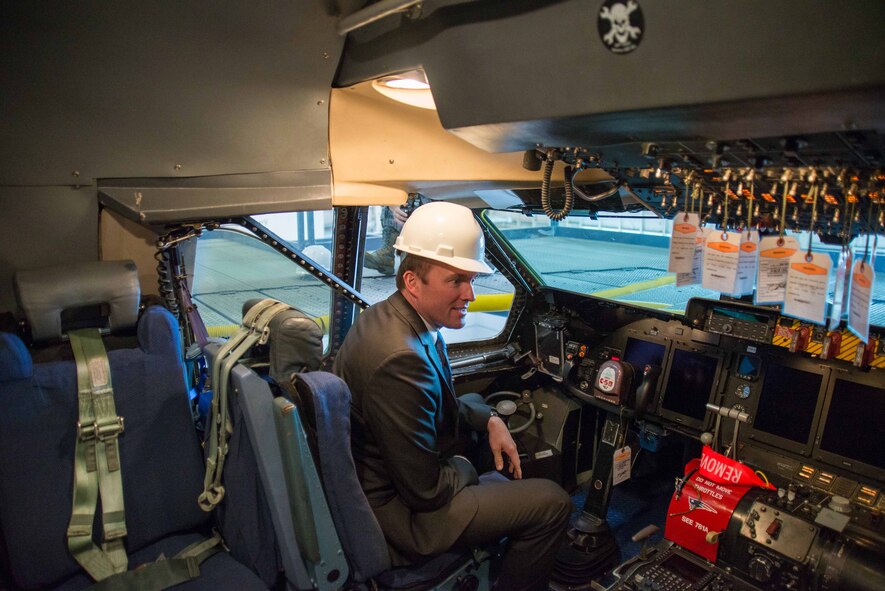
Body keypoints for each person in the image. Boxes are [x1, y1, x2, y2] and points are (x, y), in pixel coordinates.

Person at [334, 201, 571, 591]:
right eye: (456, 280)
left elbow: (440, 402)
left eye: (471, 279)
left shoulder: (391, 316)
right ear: (413, 281)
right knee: (552, 503)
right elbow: (426, 491)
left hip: (394, 485)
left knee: (496, 440)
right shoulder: (399, 359)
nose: (471, 295)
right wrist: (466, 466)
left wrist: (491, 418)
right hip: (402, 518)